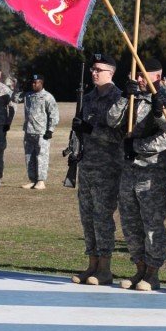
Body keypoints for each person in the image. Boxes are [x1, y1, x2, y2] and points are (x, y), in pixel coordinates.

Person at [107, 57, 166, 291]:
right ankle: (139, 267)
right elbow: (111, 120)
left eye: (143, 75)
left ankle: (152, 272)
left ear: (156, 77)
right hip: (128, 172)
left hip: (152, 173)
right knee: (130, 224)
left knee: (151, 225)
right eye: (136, 74)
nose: (138, 79)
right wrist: (122, 97)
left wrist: (137, 146)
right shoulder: (131, 98)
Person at [70, 53, 124, 286]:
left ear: (110, 73)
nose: (94, 73)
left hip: (108, 167)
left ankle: (104, 267)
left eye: (99, 70)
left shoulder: (119, 99)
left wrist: (91, 130)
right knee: (87, 218)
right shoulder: (88, 97)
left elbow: (119, 135)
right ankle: (91, 263)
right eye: (93, 69)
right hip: (87, 165)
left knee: (103, 218)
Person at [18, 73, 59, 189]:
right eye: (32, 82)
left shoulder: (47, 97)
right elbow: (14, 98)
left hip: (42, 132)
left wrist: (50, 130)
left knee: (41, 156)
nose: (33, 84)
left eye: (36, 82)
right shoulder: (28, 96)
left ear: (41, 83)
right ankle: (32, 179)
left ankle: (41, 181)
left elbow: (54, 114)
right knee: (29, 156)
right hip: (29, 131)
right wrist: (20, 88)